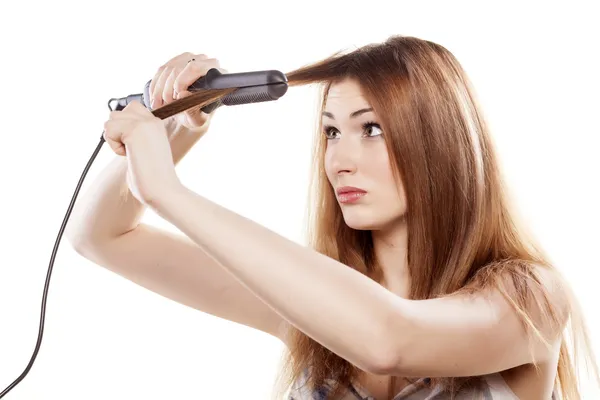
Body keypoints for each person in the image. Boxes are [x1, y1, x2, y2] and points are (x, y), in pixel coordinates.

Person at [66, 35, 598, 399]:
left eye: (371, 129)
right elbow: (103, 237)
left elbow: (391, 342)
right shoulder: (312, 305)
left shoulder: (528, 297)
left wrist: (166, 191)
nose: (340, 159)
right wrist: (180, 129)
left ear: (441, 143)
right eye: (330, 132)